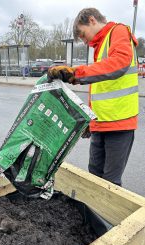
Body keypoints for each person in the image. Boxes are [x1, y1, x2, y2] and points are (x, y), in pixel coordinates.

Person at [48, 8, 138, 186]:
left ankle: (105, 215)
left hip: (119, 123)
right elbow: (100, 89)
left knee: (110, 183)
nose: (83, 41)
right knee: (94, 176)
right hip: (101, 124)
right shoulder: (100, 46)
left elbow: (118, 64)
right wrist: (91, 121)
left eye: (82, 34)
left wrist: (76, 73)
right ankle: (92, 214)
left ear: (92, 20)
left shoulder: (118, 32)